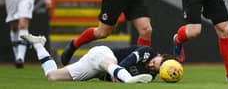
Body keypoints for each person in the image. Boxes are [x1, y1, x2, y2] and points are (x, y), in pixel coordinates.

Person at [20, 33, 174, 82]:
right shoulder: (148, 52)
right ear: (158, 56)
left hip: (97, 68)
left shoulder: (150, 75)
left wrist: (109, 77)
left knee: (52, 76)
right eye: (155, 62)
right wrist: (120, 77)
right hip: (103, 54)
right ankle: (127, 80)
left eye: (156, 67)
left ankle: (39, 44)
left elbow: (105, 79)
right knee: (111, 63)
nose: (152, 65)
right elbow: (129, 60)